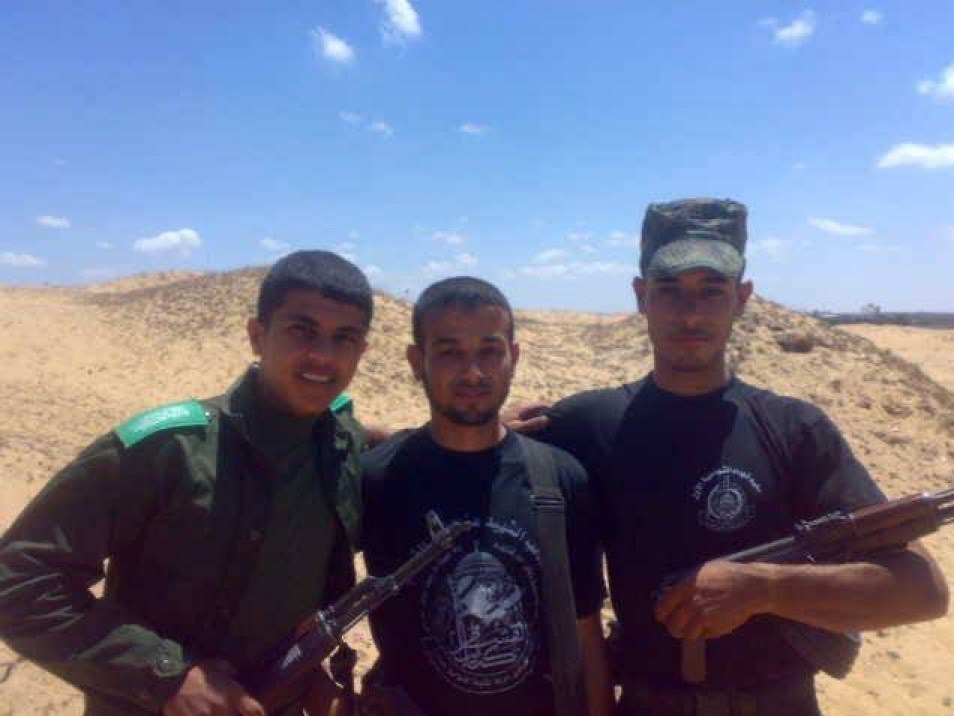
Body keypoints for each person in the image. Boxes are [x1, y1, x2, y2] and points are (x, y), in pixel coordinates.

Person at [511, 198, 949, 715]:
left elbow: (923, 592)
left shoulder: (795, 429)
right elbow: (464, 468)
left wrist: (763, 588)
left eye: (712, 291)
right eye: (669, 290)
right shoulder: (588, 425)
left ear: (742, 299)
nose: (690, 314)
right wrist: (486, 429)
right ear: (641, 296)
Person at [0, 250, 373, 716]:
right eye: (302, 330)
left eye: (345, 338)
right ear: (257, 335)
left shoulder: (343, 448)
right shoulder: (171, 450)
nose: (322, 355)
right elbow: (18, 580)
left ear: (362, 351)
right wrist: (166, 676)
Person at [359, 277, 614, 716]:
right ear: (417, 361)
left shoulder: (559, 478)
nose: (473, 372)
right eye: (450, 352)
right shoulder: (377, 478)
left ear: (513, 357)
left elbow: (586, 634)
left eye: (490, 351)